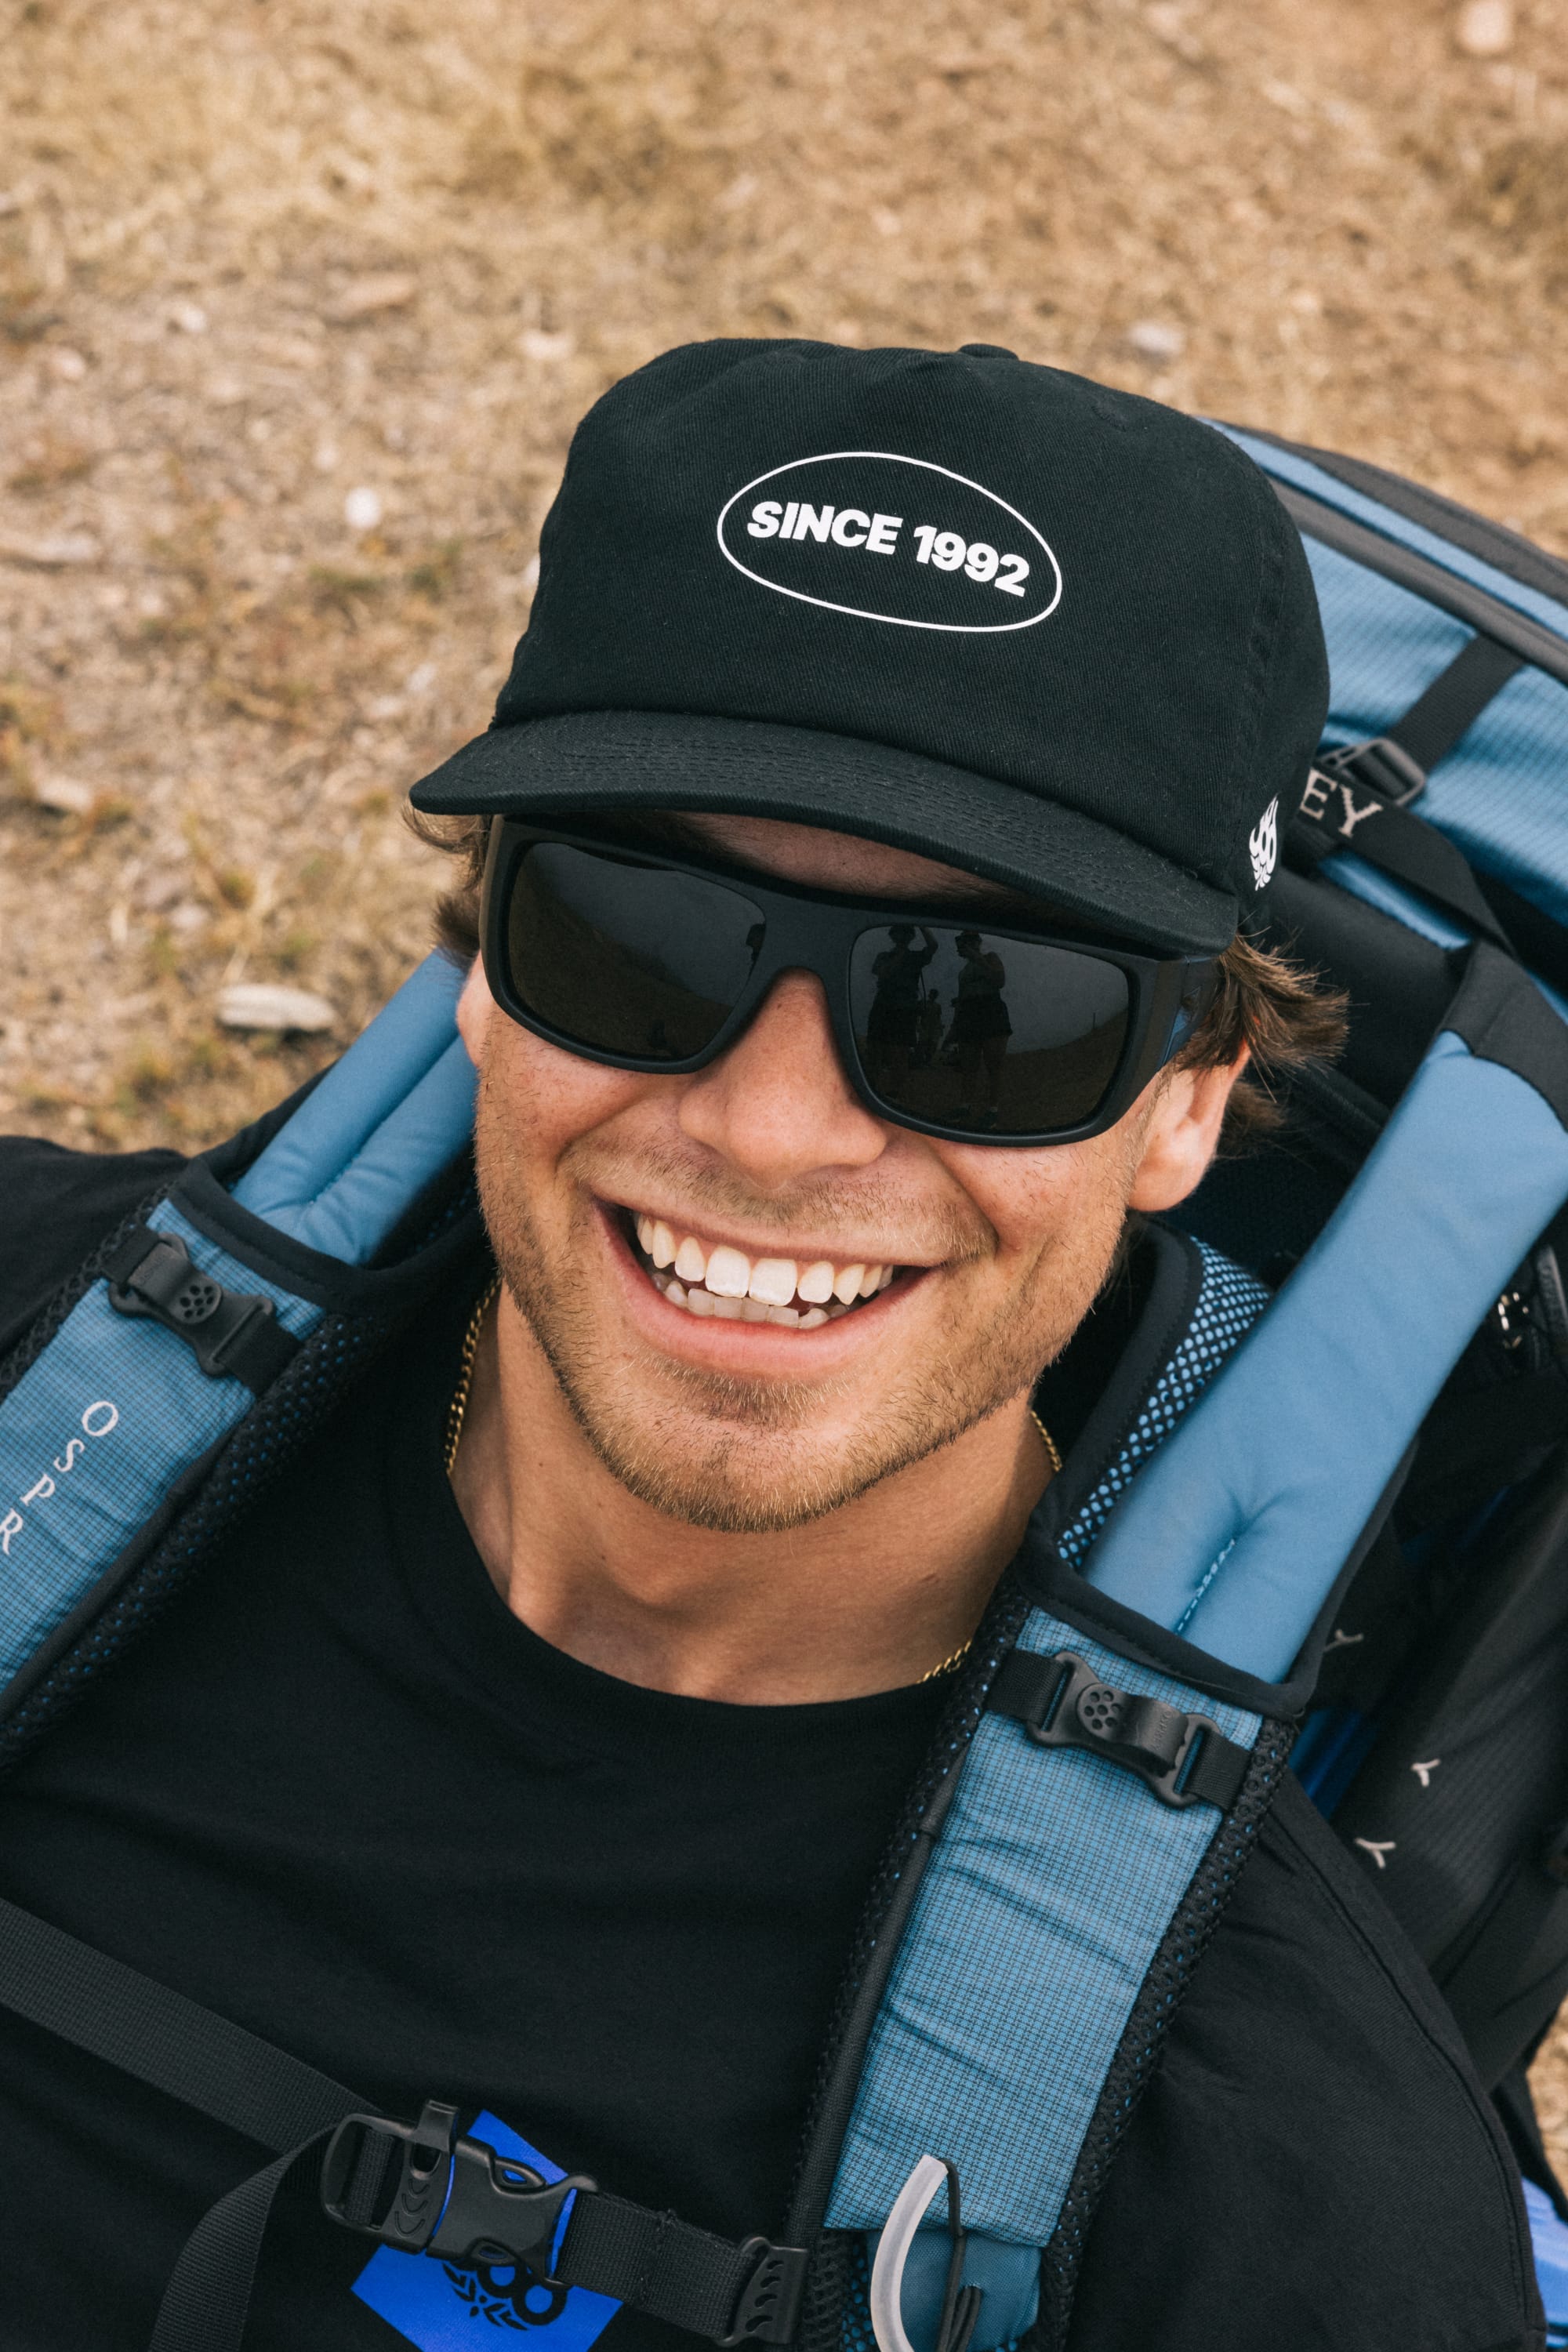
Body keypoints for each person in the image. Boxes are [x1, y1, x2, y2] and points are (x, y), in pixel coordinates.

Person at [0, 339, 1539, 2352]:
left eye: (983, 1006)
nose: (766, 1129)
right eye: (640, 938)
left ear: (1189, 1096)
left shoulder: (1269, 2205)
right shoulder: (44, 1366)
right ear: (477, 969)